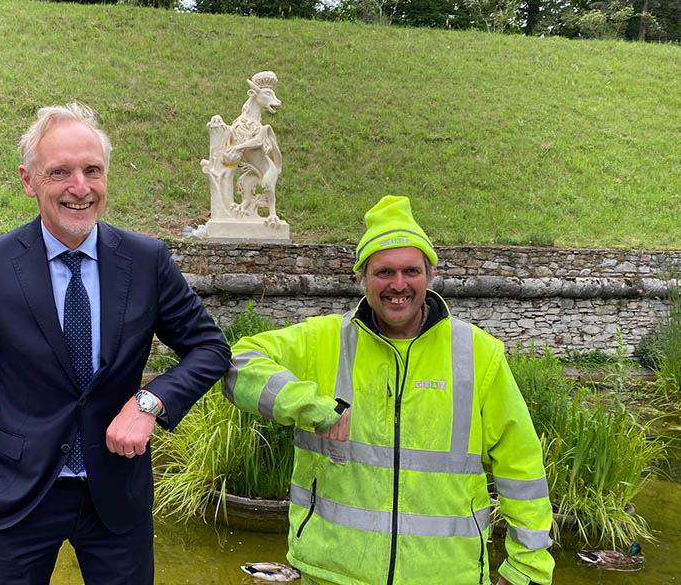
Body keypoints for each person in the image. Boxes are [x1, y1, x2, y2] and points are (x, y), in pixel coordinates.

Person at [0, 102, 231, 585]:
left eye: (93, 170)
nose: (80, 187)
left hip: (118, 492)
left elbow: (210, 348)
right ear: (29, 181)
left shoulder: (145, 259)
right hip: (17, 496)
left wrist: (148, 403)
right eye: (60, 172)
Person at [223, 196, 554, 585]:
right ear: (361, 278)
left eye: (411, 270)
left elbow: (522, 467)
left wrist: (527, 568)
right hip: (331, 573)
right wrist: (310, 406)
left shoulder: (478, 354)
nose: (398, 285)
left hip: (448, 575)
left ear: (430, 275)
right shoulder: (322, 340)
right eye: (384, 272)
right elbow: (234, 362)